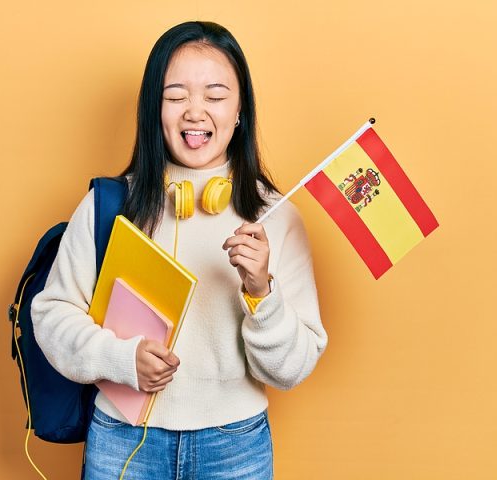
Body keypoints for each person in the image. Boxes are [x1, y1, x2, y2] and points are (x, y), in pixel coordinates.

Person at [32, 20, 328, 480]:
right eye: (175, 97)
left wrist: (261, 292)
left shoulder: (275, 217)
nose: (195, 111)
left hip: (236, 447)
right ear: (155, 109)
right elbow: (51, 316)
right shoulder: (110, 205)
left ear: (240, 111)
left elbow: (290, 370)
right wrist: (122, 360)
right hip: (123, 440)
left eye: (214, 96)